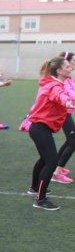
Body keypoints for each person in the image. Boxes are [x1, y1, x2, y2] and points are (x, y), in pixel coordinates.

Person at [27, 57, 73, 210]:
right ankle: (40, 200)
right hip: (40, 128)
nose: (70, 67)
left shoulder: (53, 82)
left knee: (45, 159)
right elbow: (58, 95)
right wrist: (66, 101)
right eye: (67, 66)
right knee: (51, 162)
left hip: (39, 127)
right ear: (59, 71)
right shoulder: (54, 86)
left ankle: (34, 188)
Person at [52, 51, 75, 184]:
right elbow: (69, 94)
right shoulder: (63, 80)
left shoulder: (69, 78)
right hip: (63, 113)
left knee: (70, 140)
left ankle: (57, 166)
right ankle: (56, 172)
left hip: (68, 112)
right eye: (73, 60)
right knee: (73, 141)